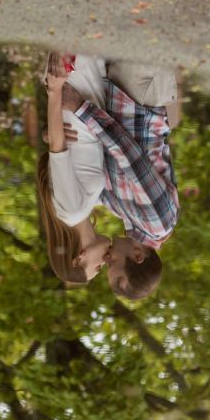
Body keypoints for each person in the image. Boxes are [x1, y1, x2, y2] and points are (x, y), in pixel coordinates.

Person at [61, 69, 179, 301]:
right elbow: (128, 154)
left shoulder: (123, 213)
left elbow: (84, 173)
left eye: (104, 265)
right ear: (137, 255)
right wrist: (79, 108)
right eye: (113, 262)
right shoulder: (158, 223)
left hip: (115, 92)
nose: (106, 259)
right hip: (141, 93)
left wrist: (55, 137)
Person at [36, 55, 112, 283]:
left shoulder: (72, 211)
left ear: (78, 259)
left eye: (97, 268)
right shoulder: (87, 206)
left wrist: (55, 91)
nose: (105, 262)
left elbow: (58, 151)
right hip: (85, 97)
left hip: (74, 85)